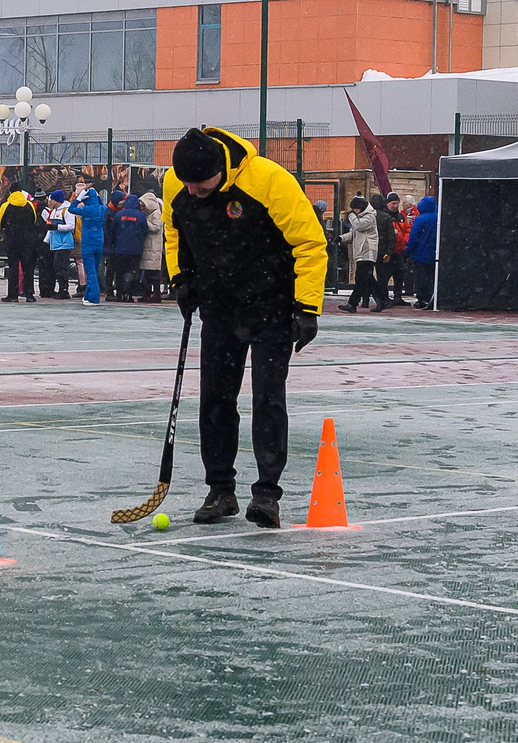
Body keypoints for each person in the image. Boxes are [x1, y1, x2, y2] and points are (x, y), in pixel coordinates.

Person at [163, 125, 327, 529]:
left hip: (271, 308)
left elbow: (310, 242)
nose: (192, 192)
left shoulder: (270, 181)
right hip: (218, 310)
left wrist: (308, 307)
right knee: (215, 401)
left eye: (201, 184)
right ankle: (220, 490)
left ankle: (267, 495)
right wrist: (180, 278)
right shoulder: (176, 184)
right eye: (186, 184)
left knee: (268, 401)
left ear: (221, 169)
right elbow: (173, 231)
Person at [0, 187, 41, 302]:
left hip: (12, 240)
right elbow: (34, 220)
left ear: (10, 192)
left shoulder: (5, 205)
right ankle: (29, 294)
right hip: (27, 241)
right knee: (28, 268)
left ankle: (12, 295)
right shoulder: (29, 205)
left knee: (13, 267)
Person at [343, 195, 385, 312]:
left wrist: (350, 215)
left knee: (362, 279)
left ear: (359, 208)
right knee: (367, 279)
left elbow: (358, 226)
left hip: (367, 252)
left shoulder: (369, 217)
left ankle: (353, 303)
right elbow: (354, 233)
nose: (354, 212)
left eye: (354, 209)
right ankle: (381, 300)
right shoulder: (362, 217)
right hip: (363, 253)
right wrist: (341, 238)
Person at [73, 184, 107, 304]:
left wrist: (78, 198)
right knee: (95, 269)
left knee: (90, 271)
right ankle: (88, 295)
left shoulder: (86, 210)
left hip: (88, 242)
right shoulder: (101, 209)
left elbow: (71, 209)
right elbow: (103, 206)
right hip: (99, 241)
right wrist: (98, 198)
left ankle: (93, 297)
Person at [110, 186, 145, 301]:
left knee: (120, 271)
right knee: (132, 271)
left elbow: (113, 230)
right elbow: (145, 230)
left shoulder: (119, 215)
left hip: (120, 249)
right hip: (135, 250)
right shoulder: (140, 216)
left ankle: (120, 293)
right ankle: (129, 294)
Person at [408, 192, 437, 308]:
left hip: (421, 253)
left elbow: (414, 237)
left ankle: (421, 299)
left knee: (420, 278)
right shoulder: (438, 217)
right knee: (432, 277)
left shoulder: (420, 219)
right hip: (435, 254)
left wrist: (408, 250)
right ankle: (431, 298)